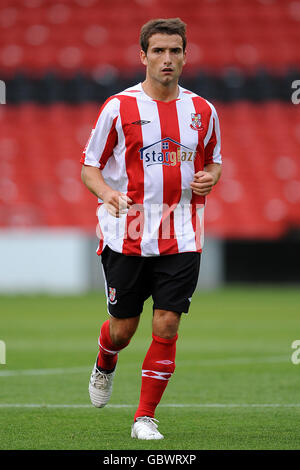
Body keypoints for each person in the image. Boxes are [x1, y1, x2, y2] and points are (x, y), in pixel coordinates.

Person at [80, 17, 222, 440]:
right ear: (143, 56)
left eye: (174, 51)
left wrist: (211, 176)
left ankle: (144, 417)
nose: (167, 59)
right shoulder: (118, 107)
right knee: (123, 329)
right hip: (128, 232)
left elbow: (214, 160)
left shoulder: (203, 111)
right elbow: (89, 168)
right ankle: (106, 359)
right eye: (158, 51)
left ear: (185, 56)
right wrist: (107, 194)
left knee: (166, 325)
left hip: (183, 232)